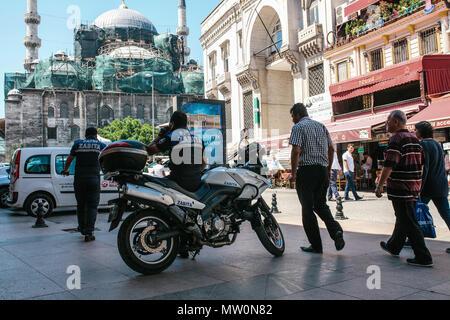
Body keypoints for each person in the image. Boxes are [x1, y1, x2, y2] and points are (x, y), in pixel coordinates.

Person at [376, 111, 433, 267]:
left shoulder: (396, 138)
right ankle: (394, 246)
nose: (386, 125)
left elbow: (389, 164)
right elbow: (422, 162)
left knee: (408, 220)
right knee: (403, 217)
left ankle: (423, 256)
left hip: (401, 186)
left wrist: (380, 184)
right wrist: (417, 182)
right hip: (413, 185)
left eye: (388, 122)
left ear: (395, 122)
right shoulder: (414, 138)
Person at [146, 111, 206, 258]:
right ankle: (185, 244)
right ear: (186, 124)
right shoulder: (198, 138)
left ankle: (177, 243)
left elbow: (149, 150)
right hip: (196, 182)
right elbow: (204, 163)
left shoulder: (171, 136)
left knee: (166, 206)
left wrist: (160, 135)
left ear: (172, 124)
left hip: (178, 181)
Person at [289, 103, 345, 254]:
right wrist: (327, 169)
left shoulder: (298, 127)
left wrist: (293, 174)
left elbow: (296, 151)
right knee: (320, 205)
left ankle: (316, 245)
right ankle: (336, 231)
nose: (293, 119)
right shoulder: (321, 126)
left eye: (293, 116)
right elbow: (331, 149)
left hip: (306, 172)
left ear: (297, 114)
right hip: (321, 171)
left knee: (307, 210)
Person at [62, 127, 106, 242]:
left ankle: (81, 228)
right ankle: (89, 232)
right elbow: (105, 161)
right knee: (92, 206)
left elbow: (70, 159)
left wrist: (66, 170)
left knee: (81, 205)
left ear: (85, 135)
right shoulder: (100, 145)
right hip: (94, 180)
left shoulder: (78, 144)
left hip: (79, 179)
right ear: (96, 135)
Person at [414, 121, 450, 254]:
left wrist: (419, 187)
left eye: (416, 130)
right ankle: (408, 237)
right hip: (441, 185)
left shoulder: (423, 145)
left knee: (414, 212)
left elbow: (425, 168)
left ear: (421, 132)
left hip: (429, 186)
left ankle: (411, 237)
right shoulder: (436, 144)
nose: (414, 132)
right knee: (446, 214)